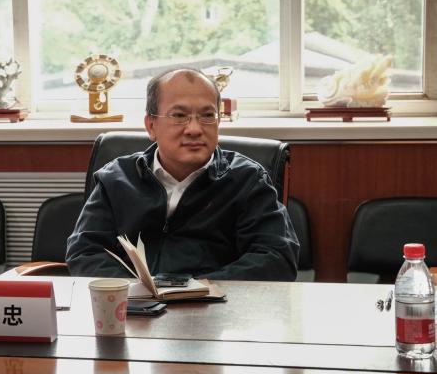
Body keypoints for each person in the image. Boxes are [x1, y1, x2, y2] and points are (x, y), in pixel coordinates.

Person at [66, 68, 299, 280]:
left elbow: (277, 257)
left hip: (217, 307)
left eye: (207, 116)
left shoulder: (248, 180)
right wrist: (134, 290)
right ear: (151, 126)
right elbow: (85, 252)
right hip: (132, 306)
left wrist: (198, 289)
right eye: (179, 116)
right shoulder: (116, 178)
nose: (195, 129)